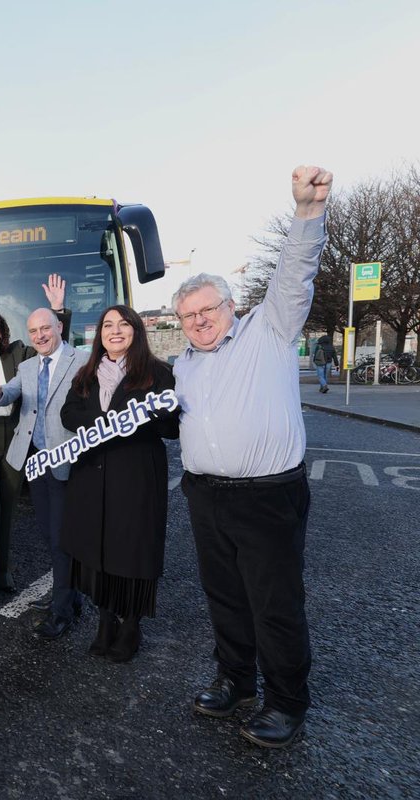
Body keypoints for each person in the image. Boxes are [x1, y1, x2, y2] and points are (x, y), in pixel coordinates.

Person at [175, 165, 331, 749]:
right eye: (189, 316)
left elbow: (295, 275)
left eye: (208, 309)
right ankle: (236, 682)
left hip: (267, 495)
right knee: (226, 597)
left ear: (231, 304)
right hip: (205, 495)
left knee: (275, 603)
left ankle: (287, 702)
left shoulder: (269, 329)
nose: (200, 320)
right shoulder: (185, 364)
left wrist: (307, 212)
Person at [58, 305, 178, 662]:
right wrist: (108, 421)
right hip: (92, 474)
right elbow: (68, 414)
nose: (114, 331)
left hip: (136, 473)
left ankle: (131, 625)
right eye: (107, 325)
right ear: (100, 335)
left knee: (132, 547)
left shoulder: (157, 373)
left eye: (123, 324)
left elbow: (171, 426)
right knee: (95, 548)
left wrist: (135, 420)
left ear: (136, 330)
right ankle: (105, 620)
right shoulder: (87, 373)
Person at [0, 285, 70, 609]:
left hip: (15, 439)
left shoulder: (19, 354)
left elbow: (55, 349)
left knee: (8, 510)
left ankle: (2, 573)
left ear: (2, 332)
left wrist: (59, 310)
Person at [0, 307, 86, 638]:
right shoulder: (27, 367)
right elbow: (12, 392)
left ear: (59, 327)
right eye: (33, 331)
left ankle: (62, 610)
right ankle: (70, 596)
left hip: (70, 460)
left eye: (45, 328)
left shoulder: (81, 361)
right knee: (48, 533)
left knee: (61, 538)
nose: (40, 335)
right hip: (37, 461)